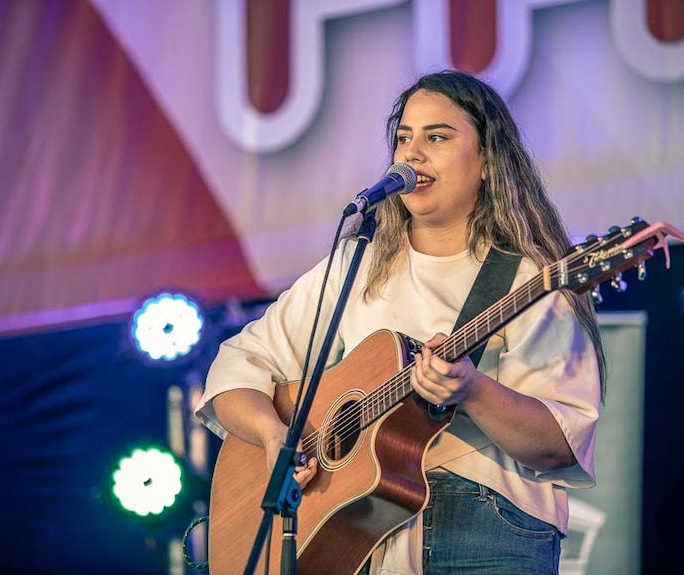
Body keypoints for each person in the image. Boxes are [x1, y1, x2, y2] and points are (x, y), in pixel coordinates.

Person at [195, 69, 605, 574]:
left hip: (483, 527)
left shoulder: (527, 280)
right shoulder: (358, 266)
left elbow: (560, 440)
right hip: (359, 531)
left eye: (437, 137)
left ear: (486, 163)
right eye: (404, 138)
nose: (412, 153)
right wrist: (273, 434)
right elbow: (238, 364)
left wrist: (471, 389)